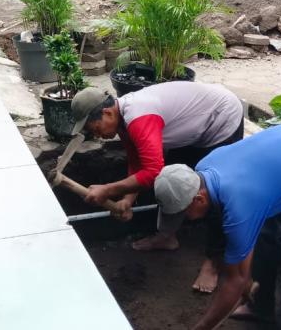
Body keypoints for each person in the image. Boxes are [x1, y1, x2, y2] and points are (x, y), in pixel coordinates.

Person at [153, 124, 281, 330]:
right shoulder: (203, 169)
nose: (184, 219)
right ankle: (260, 309)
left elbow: (236, 280)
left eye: (183, 213)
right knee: (264, 239)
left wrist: (202, 327)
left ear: (198, 199)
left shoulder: (239, 205)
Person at [70, 81, 244, 291]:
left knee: (215, 193)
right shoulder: (123, 120)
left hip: (221, 118)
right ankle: (167, 236)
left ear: (107, 113)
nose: (96, 135)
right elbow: (137, 163)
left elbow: (152, 171)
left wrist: (108, 189)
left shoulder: (139, 118)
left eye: (94, 128)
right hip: (194, 126)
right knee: (172, 180)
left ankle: (213, 264)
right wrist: (127, 200)